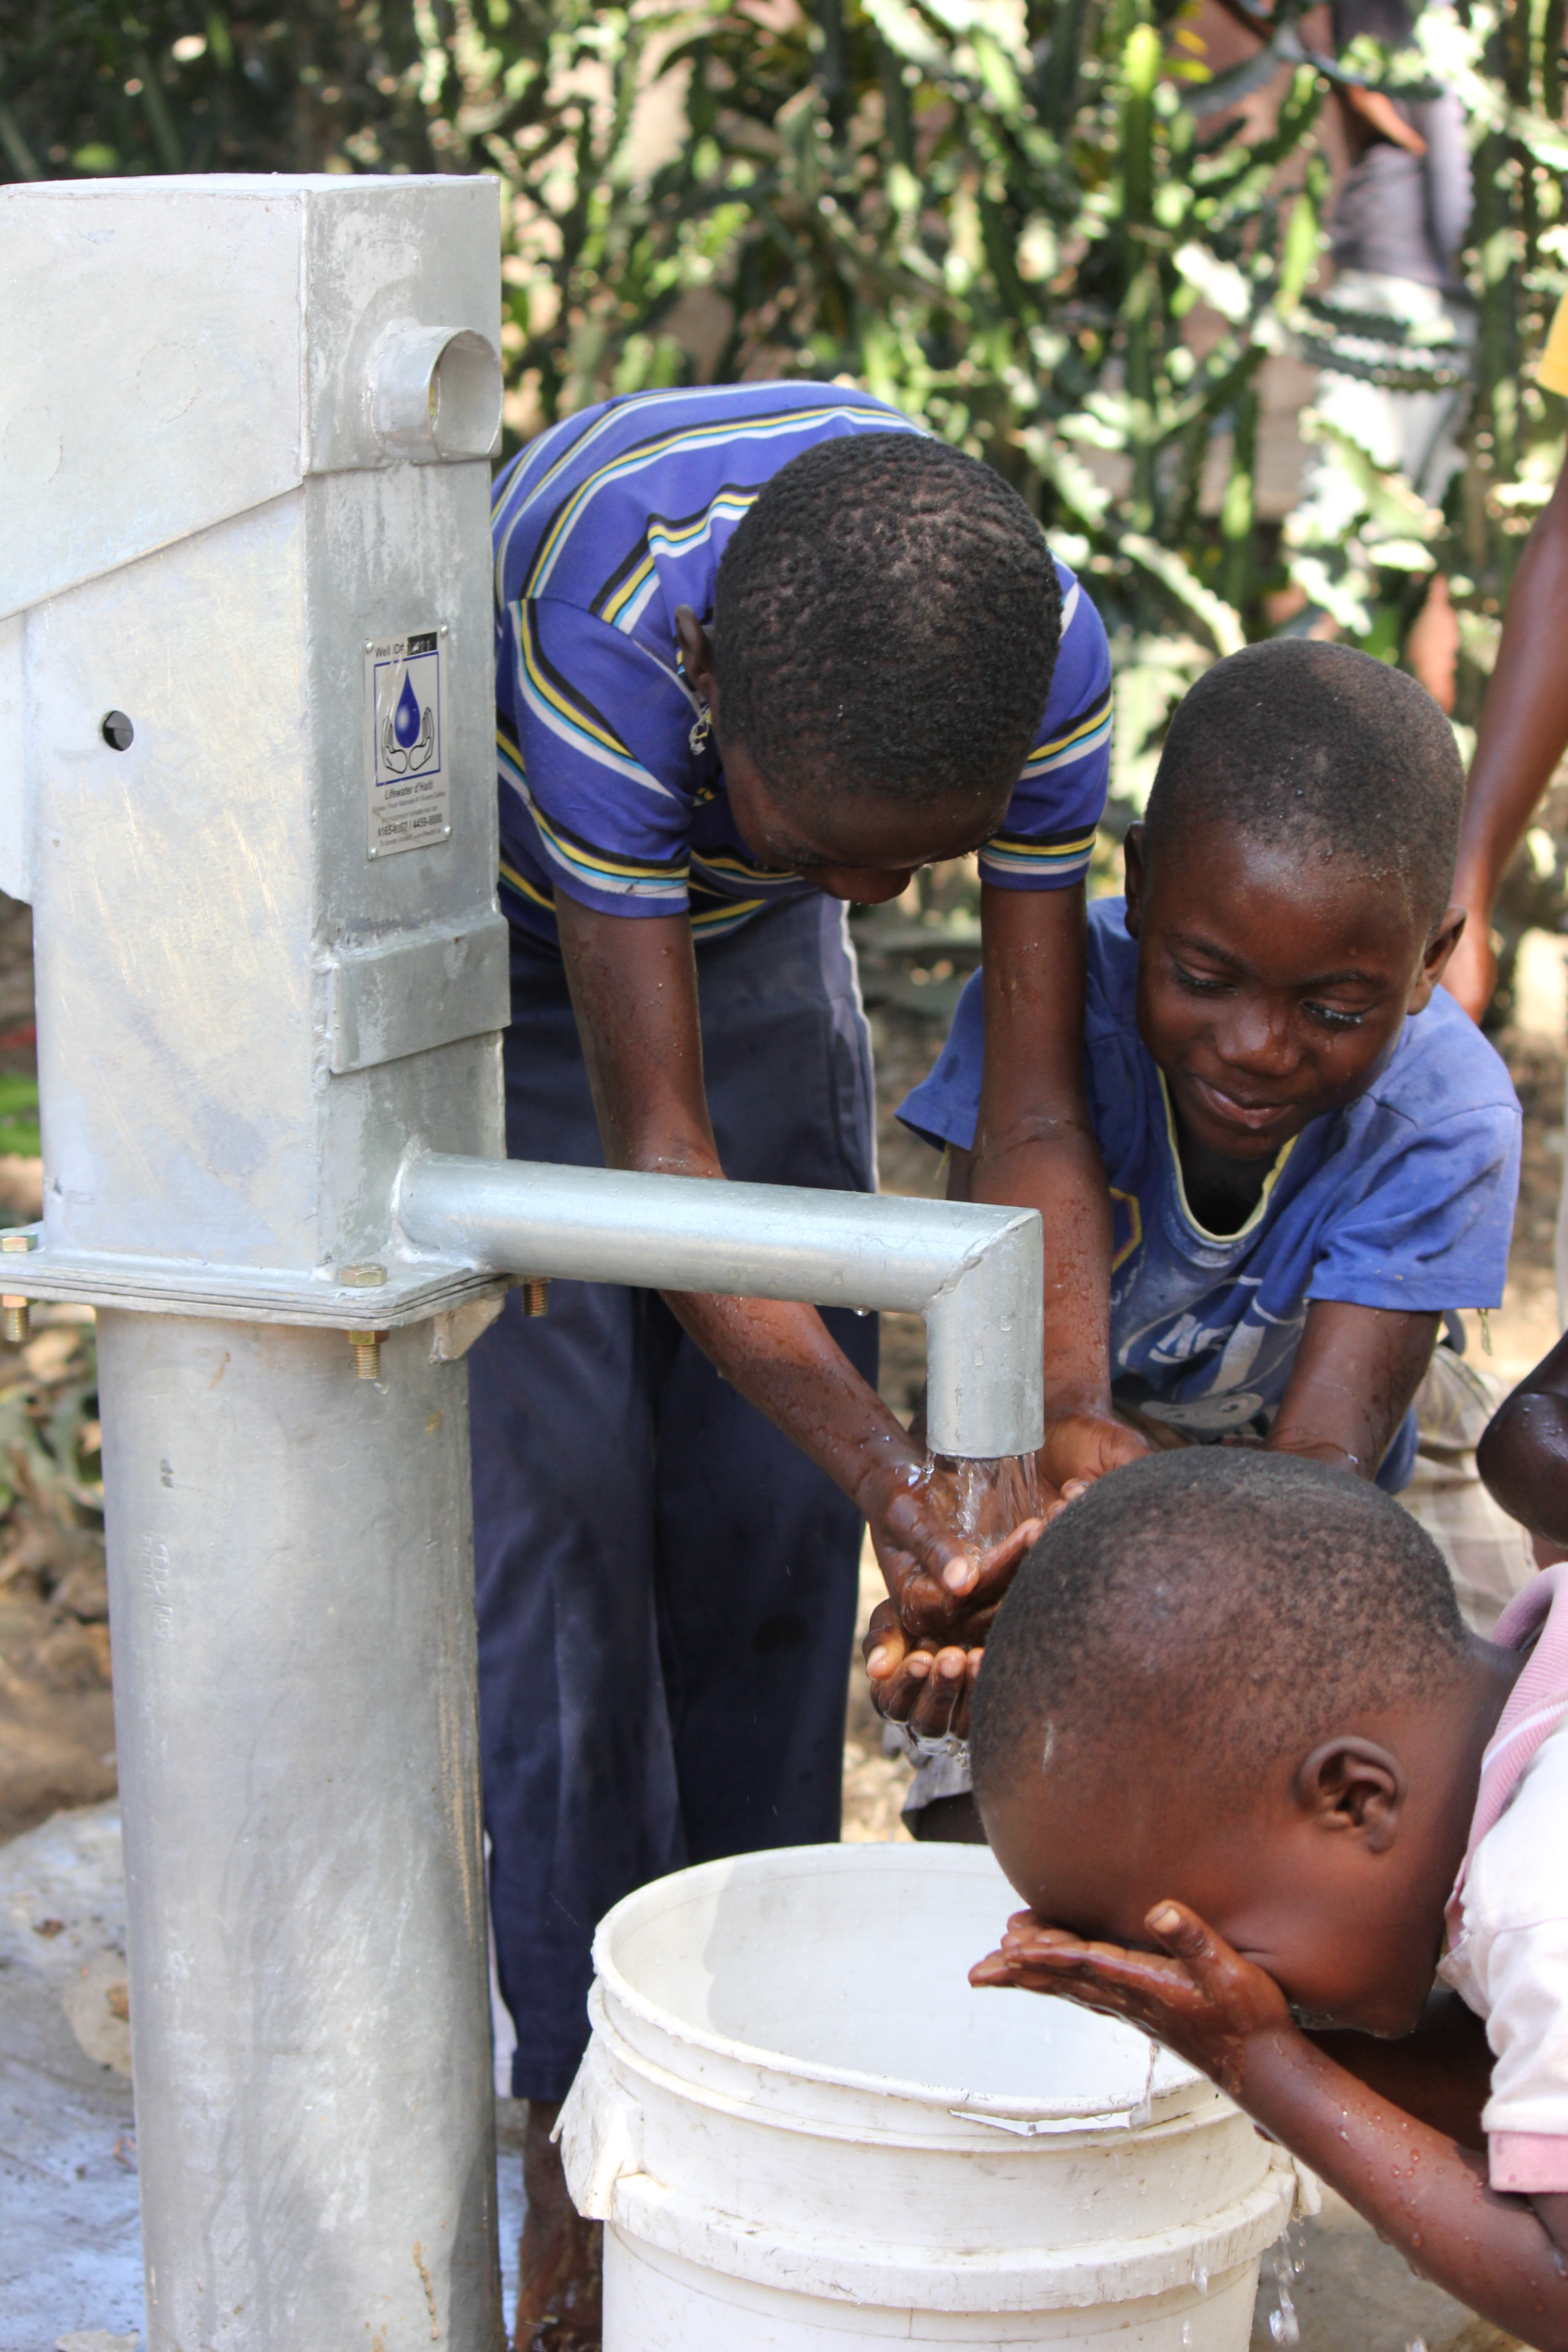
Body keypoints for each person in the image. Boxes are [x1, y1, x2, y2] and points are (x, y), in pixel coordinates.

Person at [475, 384, 1142, 2344]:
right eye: (853, 854)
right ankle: (576, 2119)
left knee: (765, 1529)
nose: (882, 903)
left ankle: (748, 2040)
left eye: (917, 869)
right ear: (715, 701)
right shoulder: (614, 619)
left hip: (733, 922)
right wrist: (897, 1467)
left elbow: (1030, 1116)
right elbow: (663, 1171)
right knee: (560, 1539)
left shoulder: (1035, 654)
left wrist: (1047, 1432)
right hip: (508, 952)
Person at [871, 637, 1525, 1834]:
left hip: (1356, 1471)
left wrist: (1136, 1515)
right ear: (1142, 883)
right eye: (1204, 975)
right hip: (1060, 1455)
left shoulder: (1446, 1116)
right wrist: (997, 1577)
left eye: (1332, 1008)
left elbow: (1323, 1487)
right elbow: (996, 1373)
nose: (1259, 1046)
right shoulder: (1045, 1018)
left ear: (1432, 959)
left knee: (1470, 1798)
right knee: (994, 1804)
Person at [966, 1449, 1568, 2351]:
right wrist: (1228, 2039)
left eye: (1221, 1946)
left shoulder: (1540, 1896)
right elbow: (1512, 2068)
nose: (1242, 1984)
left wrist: (1266, 2068)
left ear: (1355, 1798)